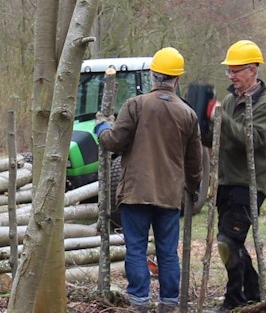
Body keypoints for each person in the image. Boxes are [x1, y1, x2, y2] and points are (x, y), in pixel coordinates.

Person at [94, 47, 203, 313]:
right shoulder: (188, 114)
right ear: (177, 80)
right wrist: (194, 187)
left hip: (135, 193)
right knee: (167, 251)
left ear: (153, 75)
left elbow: (115, 142)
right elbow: (194, 162)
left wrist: (102, 127)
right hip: (169, 195)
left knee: (136, 249)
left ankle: (139, 303)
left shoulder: (136, 104)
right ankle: (169, 304)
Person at [203, 40, 266, 312]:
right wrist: (205, 122)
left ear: (253, 69)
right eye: (229, 71)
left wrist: (218, 117)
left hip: (249, 185)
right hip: (225, 183)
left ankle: (233, 300)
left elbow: (252, 140)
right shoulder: (229, 100)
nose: (232, 76)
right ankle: (254, 292)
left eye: (237, 70)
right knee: (232, 242)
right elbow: (220, 139)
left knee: (227, 242)